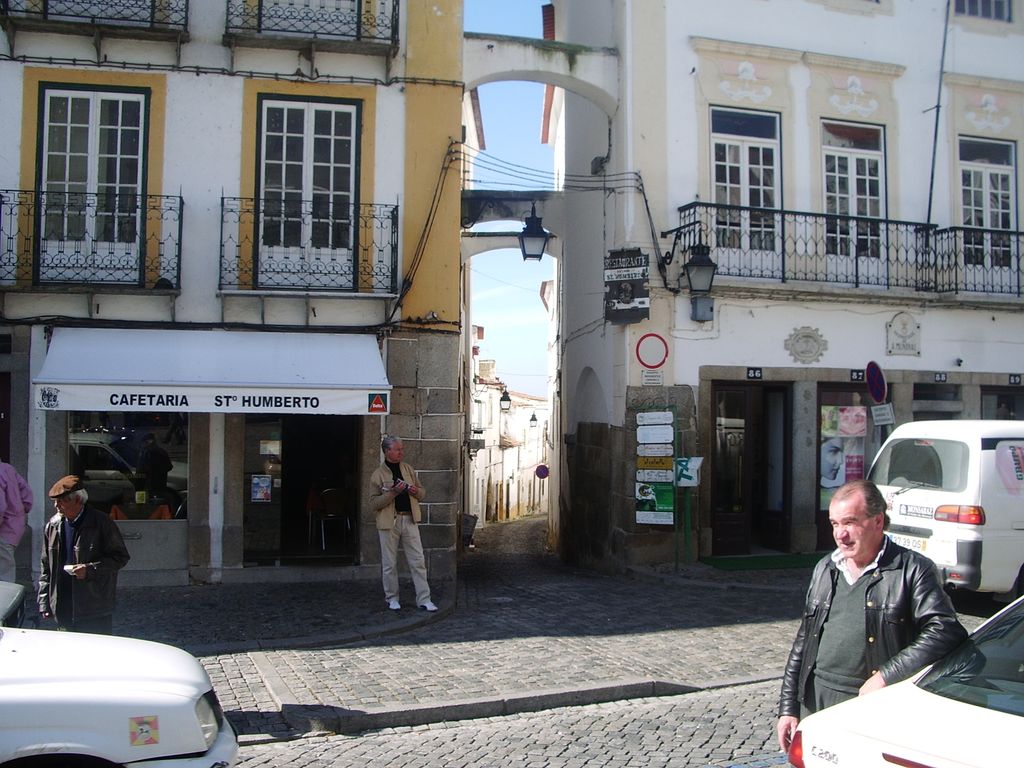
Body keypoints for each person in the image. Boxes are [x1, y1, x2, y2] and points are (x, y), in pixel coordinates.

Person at [777, 479, 967, 752]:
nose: (841, 534)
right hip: (815, 700)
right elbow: (805, 640)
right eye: (834, 524)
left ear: (878, 522)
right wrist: (788, 707)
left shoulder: (911, 569)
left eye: (850, 522)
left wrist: (885, 676)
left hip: (868, 704)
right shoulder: (825, 568)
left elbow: (946, 630)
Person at [38, 475, 131, 633]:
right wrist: (44, 601)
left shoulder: (101, 523)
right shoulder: (53, 526)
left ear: (78, 500)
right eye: (55, 501)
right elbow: (46, 567)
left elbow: (120, 557)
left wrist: (89, 570)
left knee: (96, 652)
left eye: (62, 501)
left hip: (93, 606)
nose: (57, 506)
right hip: (63, 605)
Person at [368, 436, 437, 612]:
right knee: (390, 563)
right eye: (397, 449)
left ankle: (424, 599)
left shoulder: (408, 469)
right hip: (388, 522)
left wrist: (415, 490)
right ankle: (392, 598)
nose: (401, 452)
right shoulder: (378, 474)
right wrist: (393, 493)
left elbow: (422, 493)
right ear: (387, 451)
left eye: (401, 449)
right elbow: (374, 504)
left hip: (410, 519)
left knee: (418, 560)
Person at [0, 459, 33, 583]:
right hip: (14, 527)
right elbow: (27, 494)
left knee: (4, 577)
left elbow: (0, 507)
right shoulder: (8, 469)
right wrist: (19, 513)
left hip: (3, 530)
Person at [138, 432, 173, 498]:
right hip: (161, 485)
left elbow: (141, 470)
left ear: (148, 442)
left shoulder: (146, 453)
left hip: (149, 486)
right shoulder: (162, 452)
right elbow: (169, 466)